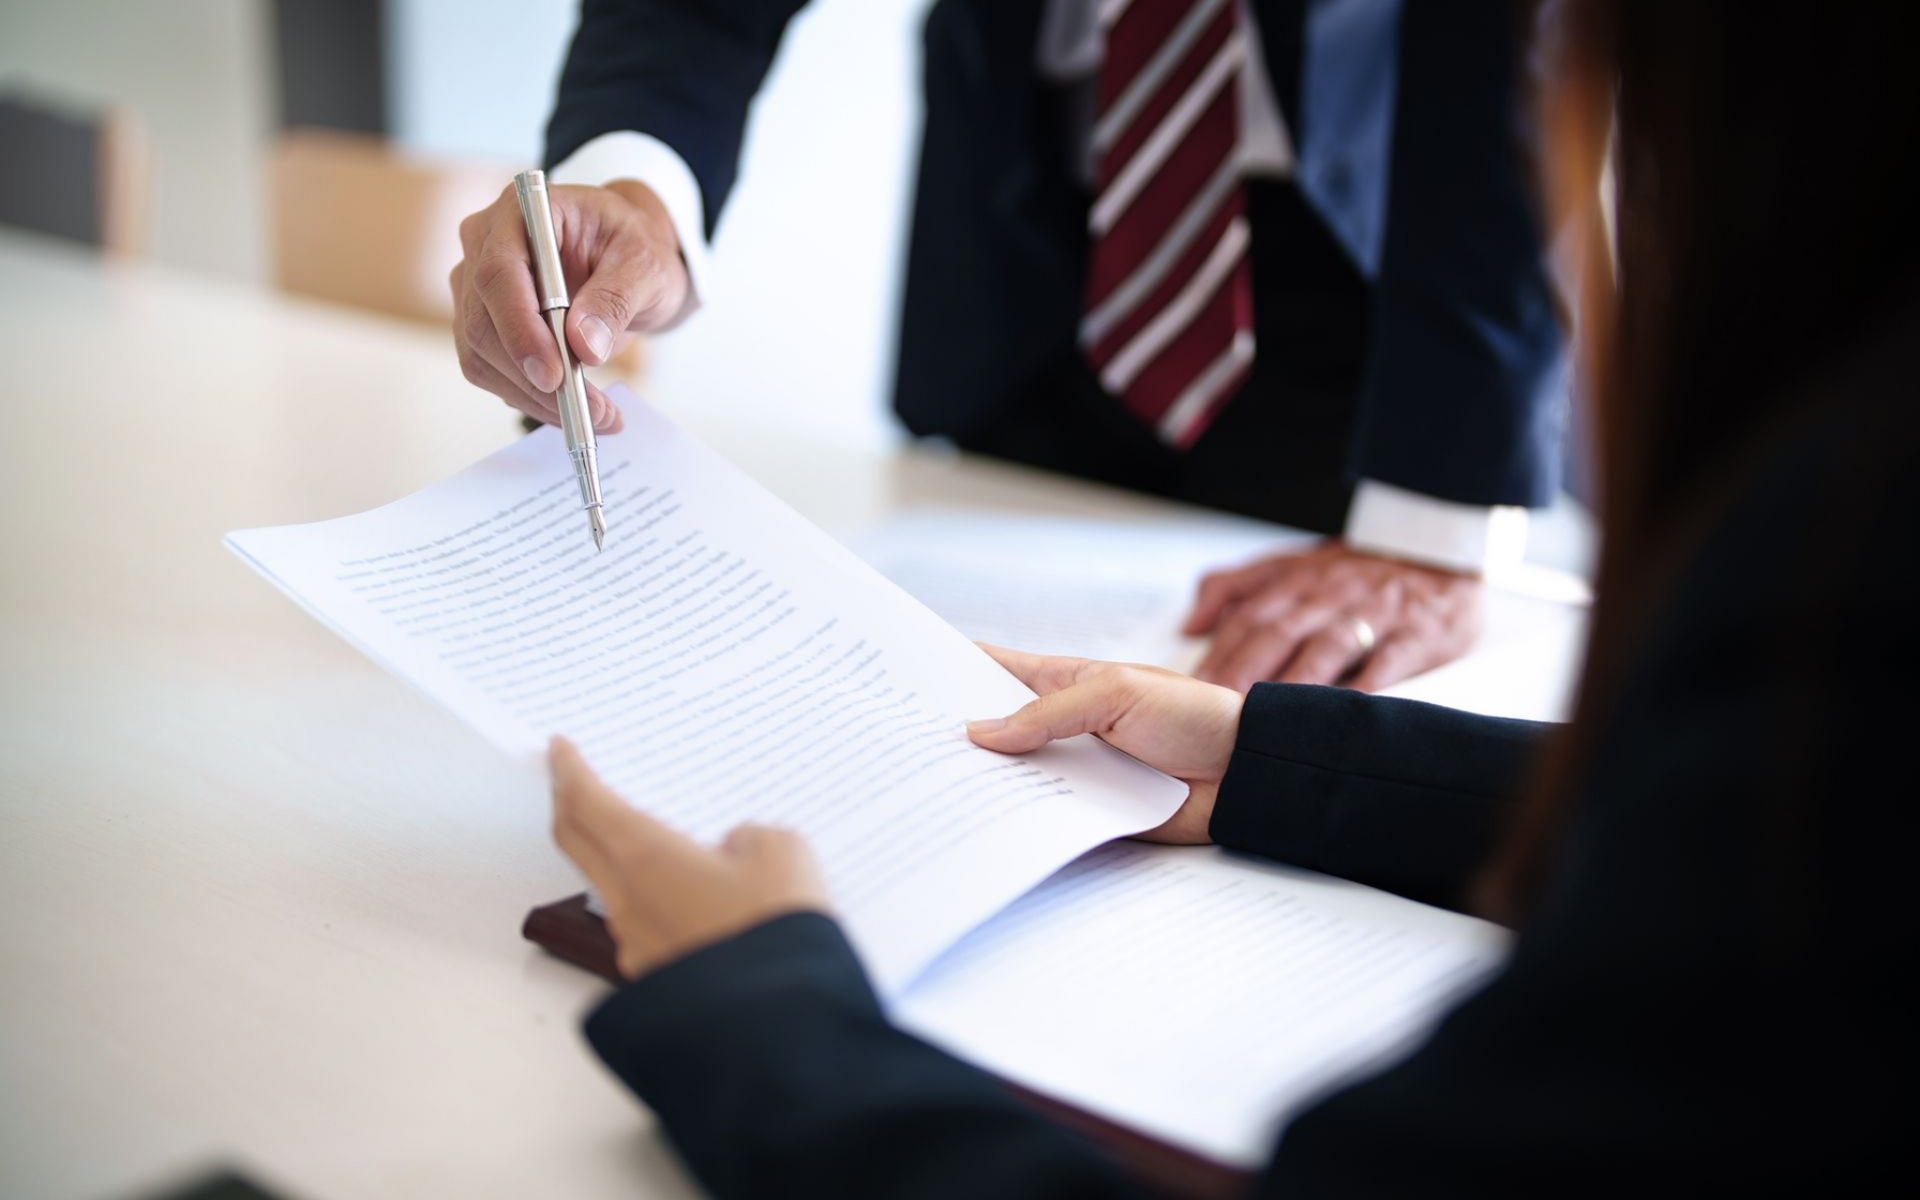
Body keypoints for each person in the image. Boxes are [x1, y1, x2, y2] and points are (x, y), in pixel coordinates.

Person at [542, 1, 1915, 1192]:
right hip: (1035, 267)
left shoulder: (1828, 603)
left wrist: (763, 1013)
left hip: (1337, 293)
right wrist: (1276, 758)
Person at [449, 0, 1569, 694]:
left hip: (1389, 280)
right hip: (1027, 241)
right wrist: (643, 182)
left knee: (1282, 728)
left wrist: (1435, 509)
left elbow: (1526, 49)